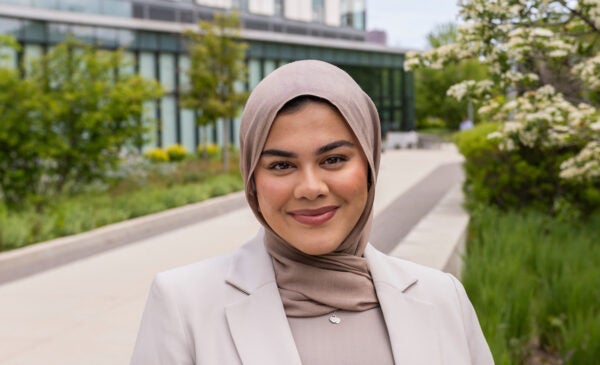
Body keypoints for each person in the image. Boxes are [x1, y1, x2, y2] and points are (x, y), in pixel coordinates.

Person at [130, 60, 494, 364]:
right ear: (252, 180)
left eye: (333, 159)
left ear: (369, 165)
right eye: (281, 166)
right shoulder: (184, 305)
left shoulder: (442, 297)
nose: (310, 188)